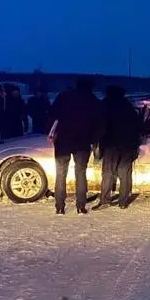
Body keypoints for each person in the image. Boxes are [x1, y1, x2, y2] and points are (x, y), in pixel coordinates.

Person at [49, 78, 101, 215]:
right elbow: (98, 122)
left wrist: (53, 134)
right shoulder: (92, 99)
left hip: (63, 141)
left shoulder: (63, 96)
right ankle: (81, 205)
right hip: (83, 143)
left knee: (60, 174)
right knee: (80, 173)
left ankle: (59, 206)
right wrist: (93, 140)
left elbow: (52, 115)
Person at [93, 85, 142, 210]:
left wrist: (98, 142)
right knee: (124, 172)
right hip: (128, 144)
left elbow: (99, 124)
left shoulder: (104, 105)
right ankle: (123, 201)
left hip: (111, 144)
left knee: (108, 173)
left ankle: (105, 200)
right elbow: (137, 125)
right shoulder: (128, 106)